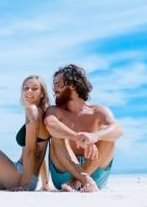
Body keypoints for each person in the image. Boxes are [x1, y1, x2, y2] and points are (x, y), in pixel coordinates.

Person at [44, 64, 122, 192]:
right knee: (57, 136)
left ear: (73, 85)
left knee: (109, 138)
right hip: (64, 172)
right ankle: (83, 179)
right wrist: (77, 137)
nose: (54, 88)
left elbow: (117, 130)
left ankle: (77, 180)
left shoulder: (97, 111)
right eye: (54, 84)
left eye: (58, 84)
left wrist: (95, 136)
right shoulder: (55, 111)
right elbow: (50, 125)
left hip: (94, 172)